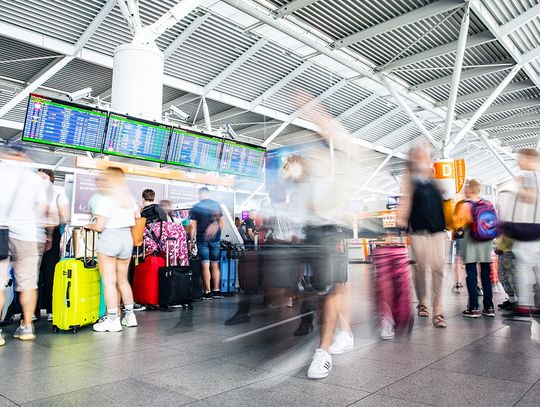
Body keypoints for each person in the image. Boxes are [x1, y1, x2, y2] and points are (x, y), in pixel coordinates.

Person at [0, 146, 48, 343]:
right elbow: (44, 208)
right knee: (28, 284)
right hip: (29, 235)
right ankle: (27, 327)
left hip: (1, 232)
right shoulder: (36, 179)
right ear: (22, 155)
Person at [397, 144, 448, 328]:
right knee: (420, 269)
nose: (423, 159)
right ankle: (423, 302)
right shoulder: (410, 181)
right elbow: (405, 203)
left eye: (425, 156)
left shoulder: (434, 180)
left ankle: (438, 310)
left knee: (438, 269)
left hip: (438, 232)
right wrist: (401, 220)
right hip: (418, 232)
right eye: (419, 157)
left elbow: (446, 196)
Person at [86, 167, 140, 332]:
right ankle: (130, 316)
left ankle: (112, 320)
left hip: (110, 239)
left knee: (109, 281)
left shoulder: (106, 199)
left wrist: (89, 225)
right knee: (123, 281)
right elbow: (138, 217)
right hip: (126, 239)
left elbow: (100, 226)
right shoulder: (129, 199)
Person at [506, 148, 540, 320]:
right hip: (536, 231)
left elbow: (531, 198)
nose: (518, 162)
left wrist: (518, 186)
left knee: (522, 269)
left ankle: (525, 308)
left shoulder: (529, 176)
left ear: (529, 158)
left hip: (529, 230)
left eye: (520, 158)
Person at [453, 180, 495, 318]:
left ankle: (473, 308)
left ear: (469, 190)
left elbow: (457, 224)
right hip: (485, 240)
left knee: (471, 273)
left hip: (470, 240)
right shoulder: (488, 204)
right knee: (486, 273)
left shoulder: (464, 205)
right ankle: (489, 307)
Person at [37, 169, 69, 322]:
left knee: (50, 274)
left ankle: (51, 309)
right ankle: (31, 312)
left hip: (53, 235)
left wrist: (49, 235)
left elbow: (64, 218)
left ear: (51, 179)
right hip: (35, 234)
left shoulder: (58, 195)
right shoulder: (33, 194)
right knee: (33, 276)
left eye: (44, 177)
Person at [189, 187, 224, 300]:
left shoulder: (196, 207)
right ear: (208, 194)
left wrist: (191, 241)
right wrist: (217, 232)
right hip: (215, 239)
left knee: (205, 265)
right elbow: (222, 224)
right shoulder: (216, 205)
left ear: (200, 195)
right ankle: (217, 291)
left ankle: (208, 292)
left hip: (202, 239)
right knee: (215, 265)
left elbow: (193, 226)